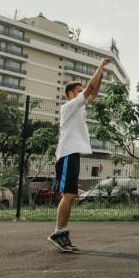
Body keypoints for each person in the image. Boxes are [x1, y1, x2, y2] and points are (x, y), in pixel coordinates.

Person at [47, 57, 112, 252]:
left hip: (73, 155)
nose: (83, 92)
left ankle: (63, 232)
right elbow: (90, 89)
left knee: (71, 195)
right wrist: (100, 67)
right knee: (67, 195)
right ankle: (58, 232)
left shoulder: (79, 109)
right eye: (78, 90)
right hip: (67, 154)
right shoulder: (69, 106)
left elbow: (93, 91)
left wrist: (101, 74)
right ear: (71, 94)